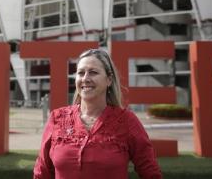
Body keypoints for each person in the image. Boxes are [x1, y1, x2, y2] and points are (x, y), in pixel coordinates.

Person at [33, 48, 162, 179]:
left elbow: (150, 172)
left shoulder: (127, 121)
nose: (85, 78)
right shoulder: (57, 118)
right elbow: (42, 172)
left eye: (93, 72)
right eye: (80, 73)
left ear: (109, 80)